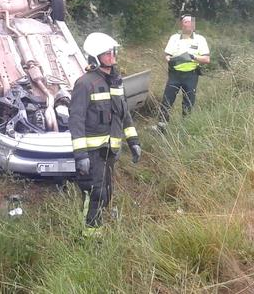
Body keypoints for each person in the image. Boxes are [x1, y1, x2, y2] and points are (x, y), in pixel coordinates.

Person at [69, 32, 142, 235]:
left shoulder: (116, 82)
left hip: (110, 151)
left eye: (113, 51)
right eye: (106, 53)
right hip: (92, 153)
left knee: (106, 193)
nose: (112, 55)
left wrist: (133, 141)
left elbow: (124, 115)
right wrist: (81, 155)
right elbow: (76, 120)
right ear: (95, 57)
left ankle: (98, 229)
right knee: (95, 193)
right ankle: (89, 238)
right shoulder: (85, 83)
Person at [158, 15, 210, 128]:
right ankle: (161, 127)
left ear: (194, 25)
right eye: (186, 22)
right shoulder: (174, 38)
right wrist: (170, 60)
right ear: (182, 24)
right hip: (175, 74)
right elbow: (167, 55)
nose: (189, 24)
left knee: (188, 102)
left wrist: (193, 57)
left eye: (191, 22)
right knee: (167, 100)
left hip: (191, 75)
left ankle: (185, 127)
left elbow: (206, 59)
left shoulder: (200, 39)